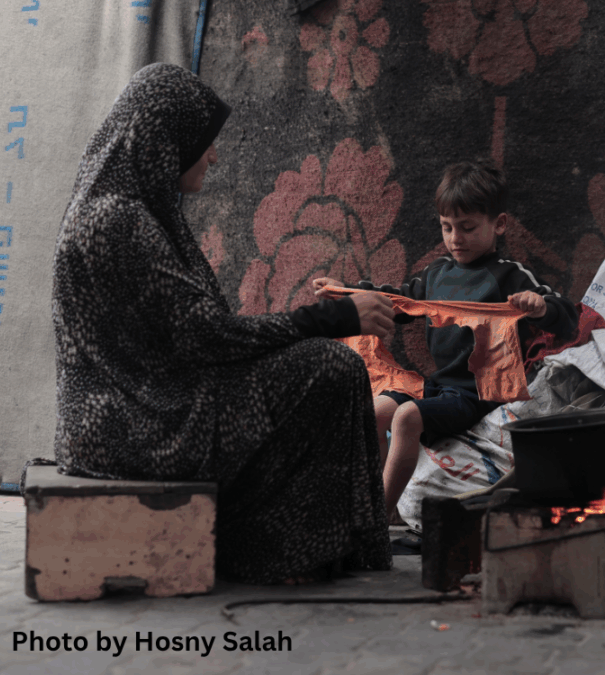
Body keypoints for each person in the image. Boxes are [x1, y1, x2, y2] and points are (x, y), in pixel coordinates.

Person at [51, 63, 396, 584]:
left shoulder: (118, 206)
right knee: (330, 368)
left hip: (131, 412)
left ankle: (303, 547)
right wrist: (333, 317)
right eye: (205, 141)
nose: (213, 154)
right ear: (168, 140)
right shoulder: (120, 219)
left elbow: (198, 334)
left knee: (321, 365)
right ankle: (271, 551)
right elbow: (209, 338)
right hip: (139, 425)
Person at [313, 159, 578, 516]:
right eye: (447, 227)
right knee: (376, 412)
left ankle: (377, 522)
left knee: (406, 418)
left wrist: (539, 307)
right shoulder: (437, 273)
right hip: (438, 386)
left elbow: (566, 317)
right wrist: (346, 295)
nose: (456, 238)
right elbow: (399, 302)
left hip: (478, 394)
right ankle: (369, 506)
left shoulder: (510, 277)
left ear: (498, 224)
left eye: (468, 228)